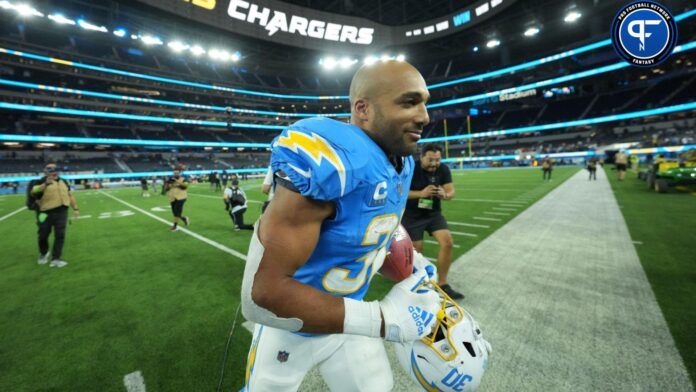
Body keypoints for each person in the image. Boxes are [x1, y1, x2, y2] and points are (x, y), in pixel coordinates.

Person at [241, 60, 440, 391]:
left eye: (424, 102)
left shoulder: (401, 162)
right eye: (408, 102)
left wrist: (416, 265)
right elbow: (262, 295)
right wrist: (383, 319)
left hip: (348, 325)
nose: (424, 116)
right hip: (290, 332)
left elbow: (376, 233)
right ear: (362, 109)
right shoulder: (332, 160)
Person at [402, 143, 462, 300]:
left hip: (433, 213)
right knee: (417, 250)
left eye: (437, 160)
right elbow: (399, 191)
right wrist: (421, 193)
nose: (434, 163)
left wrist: (445, 194)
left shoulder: (443, 169)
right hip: (412, 214)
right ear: (421, 157)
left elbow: (451, 191)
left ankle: (443, 284)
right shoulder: (411, 168)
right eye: (430, 160)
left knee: (447, 242)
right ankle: (415, 284)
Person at [28, 163, 79, 268]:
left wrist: (75, 208)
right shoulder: (40, 181)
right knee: (43, 235)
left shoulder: (63, 181)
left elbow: (69, 195)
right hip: (44, 213)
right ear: (45, 171)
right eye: (50, 169)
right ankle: (43, 253)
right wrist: (45, 184)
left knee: (60, 235)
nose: (52, 171)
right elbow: (33, 192)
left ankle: (56, 258)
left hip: (61, 212)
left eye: (54, 169)